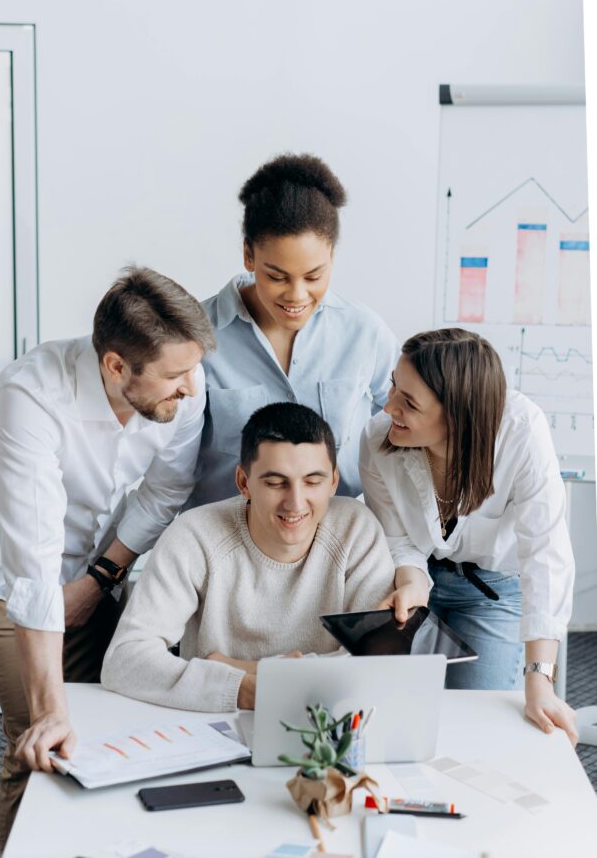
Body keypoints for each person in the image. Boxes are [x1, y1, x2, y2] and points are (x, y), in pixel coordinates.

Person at [0, 266, 216, 849]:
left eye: (194, 368)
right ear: (116, 367)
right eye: (176, 375)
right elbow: (34, 562)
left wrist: (100, 579)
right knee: (41, 743)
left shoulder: (182, 386)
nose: (194, 388)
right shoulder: (30, 396)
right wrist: (51, 708)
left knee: (113, 727)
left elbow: (165, 491)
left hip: (101, 564)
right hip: (10, 576)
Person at [359, 327, 578, 745]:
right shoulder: (377, 438)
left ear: (459, 414)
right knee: (387, 712)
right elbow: (398, 537)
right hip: (418, 581)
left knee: (479, 724)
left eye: (409, 403)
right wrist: (412, 582)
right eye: (393, 387)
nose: (388, 407)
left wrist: (540, 679)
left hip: (494, 591)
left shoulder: (521, 431)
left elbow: (544, 554)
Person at [101, 402, 395, 711]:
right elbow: (124, 660)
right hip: (207, 725)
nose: (295, 503)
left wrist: (241, 668)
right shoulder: (194, 534)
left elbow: (378, 663)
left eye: (312, 481)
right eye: (275, 483)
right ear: (244, 482)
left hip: (326, 722)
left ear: (334, 481)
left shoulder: (356, 530)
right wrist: (241, 688)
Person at [187, 153, 398, 507]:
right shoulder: (197, 337)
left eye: (314, 276)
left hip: (336, 535)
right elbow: (168, 466)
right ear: (248, 256)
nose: (297, 295)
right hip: (224, 540)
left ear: (332, 257)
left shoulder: (365, 333)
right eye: (277, 276)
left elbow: (407, 431)